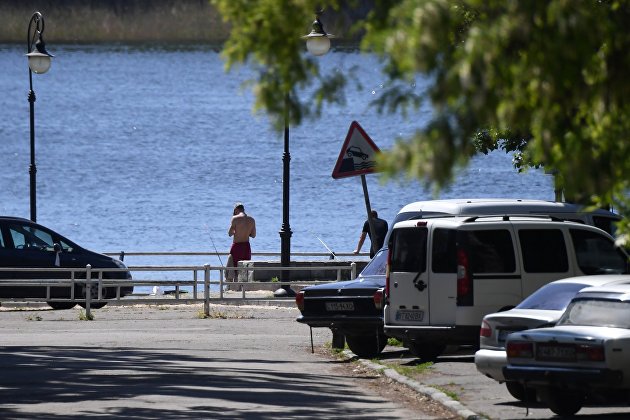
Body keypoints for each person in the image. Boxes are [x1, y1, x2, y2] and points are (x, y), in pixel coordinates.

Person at [227, 203, 256, 281]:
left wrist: (236, 231)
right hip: (246, 247)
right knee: (244, 270)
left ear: (236, 210)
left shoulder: (235, 218)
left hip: (236, 247)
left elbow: (230, 233)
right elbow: (253, 235)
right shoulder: (252, 219)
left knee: (233, 269)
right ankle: (243, 289)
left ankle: (232, 287)